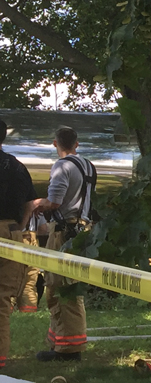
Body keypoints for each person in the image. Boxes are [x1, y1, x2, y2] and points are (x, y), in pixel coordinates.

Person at [31, 126, 96, 363]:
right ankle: (62, 343)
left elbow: (55, 202)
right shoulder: (87, 165)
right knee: (68, 286)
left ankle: (68, 350)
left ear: (55, 143)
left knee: (59, 287)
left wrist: (36, 204)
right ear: (76, 144)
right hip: (82, 229)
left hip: (63, 232)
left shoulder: (61, 166)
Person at [0, 119, 38, 371]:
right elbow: (30, 203)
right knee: (2, 301)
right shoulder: (17, 166)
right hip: (11, 233)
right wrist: (20, 227)